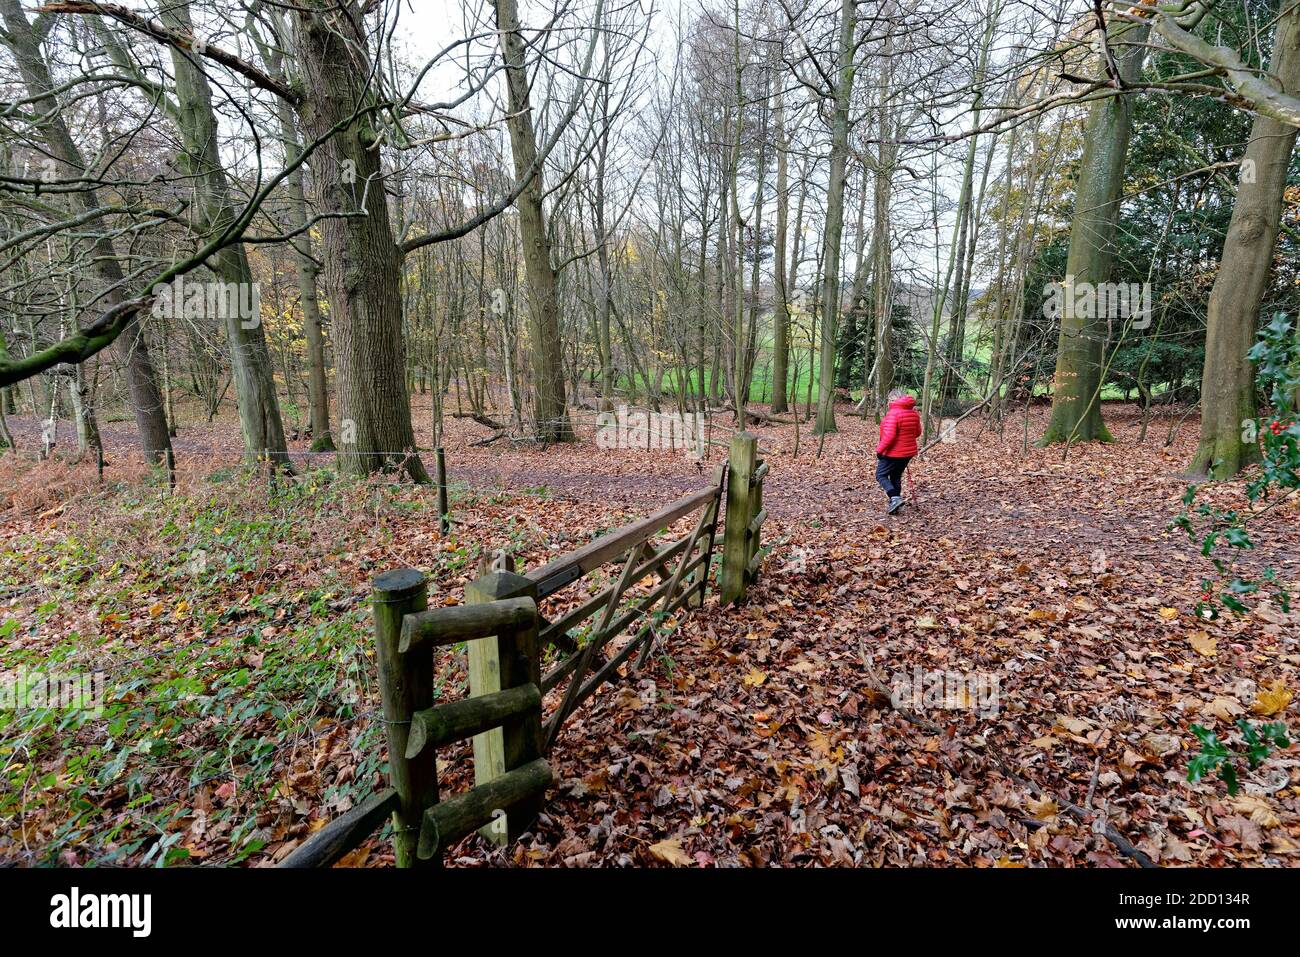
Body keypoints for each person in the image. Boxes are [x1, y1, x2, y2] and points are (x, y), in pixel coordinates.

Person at [875, 388, 921, 514]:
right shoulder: (913, 413)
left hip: (893, 453)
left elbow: (889, 436)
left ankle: (895, 498)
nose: (889, 403)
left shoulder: (893, 413)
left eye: (889, 400)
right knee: (895, 476)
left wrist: (879, 450)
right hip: (908, 453)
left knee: (880, 475)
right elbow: (917, 433)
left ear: (893, 399)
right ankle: (895, 504)